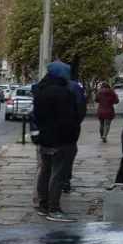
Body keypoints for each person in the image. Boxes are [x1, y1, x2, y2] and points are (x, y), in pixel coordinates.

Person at [33, 61, 80, 222]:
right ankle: (54, 209)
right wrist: (72, 135)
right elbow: (69, 118)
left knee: (45, 172)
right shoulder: (63, 92)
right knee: (58, 175)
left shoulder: (40, 90)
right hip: (62, 140)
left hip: (45, 138)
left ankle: (43, 205)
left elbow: (36, 116)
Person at [61, 72, 86, 193]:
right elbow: (81, 107)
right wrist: (75, 123)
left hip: (51, 129)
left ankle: (53, 180)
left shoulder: (48, 86)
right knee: (68, 153)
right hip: (70, 128)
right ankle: (65, 180)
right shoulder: (75, 87)